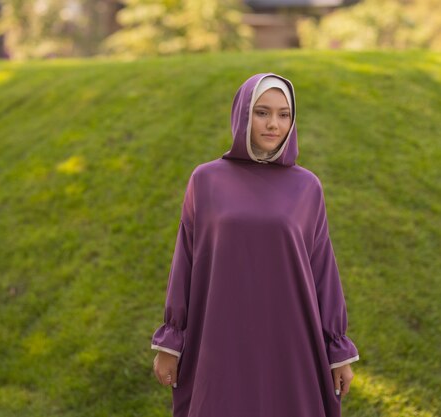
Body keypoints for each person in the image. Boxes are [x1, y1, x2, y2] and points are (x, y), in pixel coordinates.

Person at [151, 73, 360, 417]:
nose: (273, 124)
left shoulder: (307, 187)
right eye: (262, 112)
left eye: (284, 114)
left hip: (291, 340)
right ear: (243, 113)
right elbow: (184, 263)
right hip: (220, 336)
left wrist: (337, 351)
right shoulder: (205, 180)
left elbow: (323, 271)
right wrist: (171, 343)